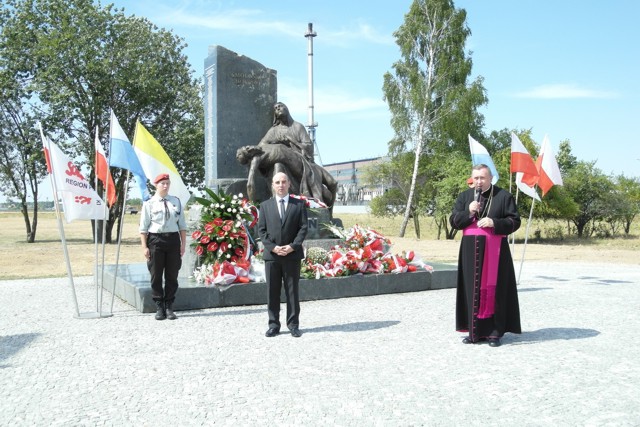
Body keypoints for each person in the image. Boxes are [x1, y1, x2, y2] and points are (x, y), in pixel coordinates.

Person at [449, 164, 522, 347]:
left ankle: (494, 333)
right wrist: (469, 211)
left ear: (490, 178)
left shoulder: (504, 196)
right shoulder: (465, 197)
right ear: (472, 179)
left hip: (495, 250)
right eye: (476, 178)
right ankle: (474, 333)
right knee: (471, 288)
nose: (479, 181)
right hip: (469, 250)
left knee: (494, 289)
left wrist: (494, 222)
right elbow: (454, 221)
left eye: (482, 177)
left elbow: (515, 221)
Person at [237, 102, 337, 208]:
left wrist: (292, 141)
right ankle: (279, 205)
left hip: (300, 161)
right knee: (277, 165)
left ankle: (327, 208)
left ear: (287, 109)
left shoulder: (298, 127)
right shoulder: (273, 131)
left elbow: (308, 146)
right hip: (285, 166)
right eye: (275, 108)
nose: (278, 108)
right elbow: (262, 146)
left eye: (280, 106)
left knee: (331, 184)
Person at [257, 172, 308, 338]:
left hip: (291, 255)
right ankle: (273, 325)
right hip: (273, 256)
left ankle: (293, 325)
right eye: (277, 182)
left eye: (284, 182)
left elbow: (303, 228)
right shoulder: (265, 206)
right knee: (272, 292)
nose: (281, 185)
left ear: (289, 184)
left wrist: (293, 246)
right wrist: (273, 248)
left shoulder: (299, 205)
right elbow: (262, 231)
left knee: (292, 292)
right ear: (273, 185)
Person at [139, 173, 187, 321]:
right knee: (156, 274)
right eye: (162, 183)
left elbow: (182, 225)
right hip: (155, 240)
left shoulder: (176, 201)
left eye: (167, 183)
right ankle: (159, 305)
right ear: (156, 185)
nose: (165, 186)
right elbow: (143, 228)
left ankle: (169, 306)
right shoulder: (149, 203)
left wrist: (183, 244)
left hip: (173, 240)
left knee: (172, 274)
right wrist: (144, 247)